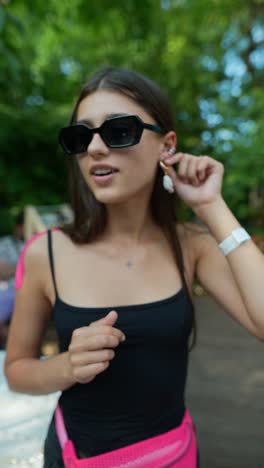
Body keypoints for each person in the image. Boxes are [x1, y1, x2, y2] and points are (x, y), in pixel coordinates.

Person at [4, 67, 264, 468]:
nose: (94, 149)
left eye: (118, 131)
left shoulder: (192, 245)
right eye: (80, 136)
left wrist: (212, 207)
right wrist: (66, 366)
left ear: (167, 145)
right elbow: (17, 369)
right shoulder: (45, 252)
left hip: (172, 457)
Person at [0, 211, 24, 348]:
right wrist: (23, 268)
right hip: (7, 289)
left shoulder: (36, 243)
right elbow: (1, 272)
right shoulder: (4, 243)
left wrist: (13, 269)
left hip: (23, 290)